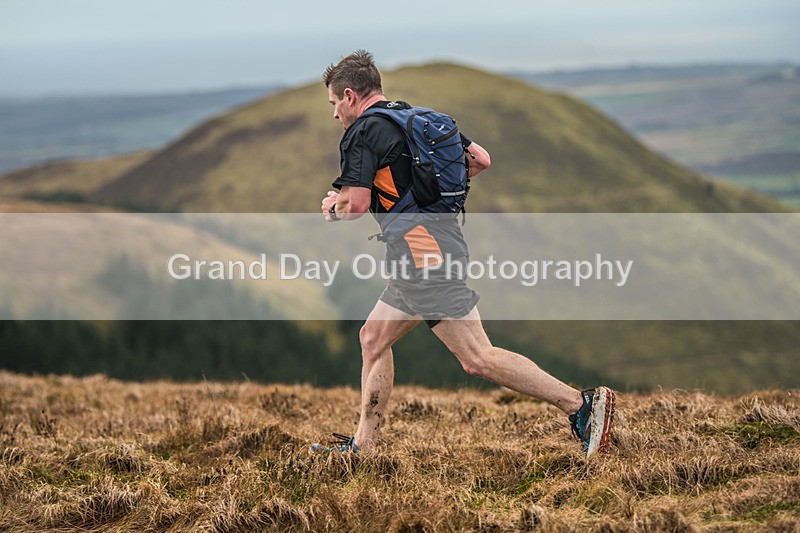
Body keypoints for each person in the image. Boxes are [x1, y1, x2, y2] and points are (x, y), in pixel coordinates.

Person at [313, 50, 615, 458]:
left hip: (421, 252)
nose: (335, 115)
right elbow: (481, 160)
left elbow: (357, 204)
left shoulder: (362, 133)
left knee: (477, 357)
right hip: (434, 241)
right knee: (372, 338)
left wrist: (334, 207)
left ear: (349, 96)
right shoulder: (416, 117)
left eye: (334, 104)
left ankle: (581, 406)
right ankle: (363, 448)